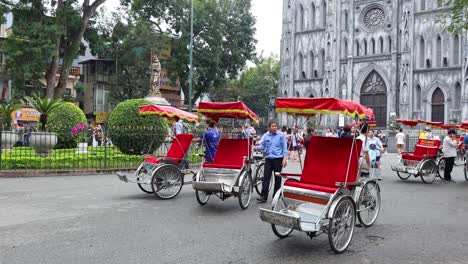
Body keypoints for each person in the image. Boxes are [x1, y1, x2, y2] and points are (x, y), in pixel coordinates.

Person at [255, 120, 288, 203]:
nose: (274, 128)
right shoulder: (266, 135)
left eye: (275, 126)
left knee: (278, 179)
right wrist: (256, 147)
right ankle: (263, 196)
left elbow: (284, 148)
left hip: (278, 159)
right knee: (266, 178)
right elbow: (263, 146)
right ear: (269, 127)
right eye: (272, 126)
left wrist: (284, 159)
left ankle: (275, 196)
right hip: (268, 159)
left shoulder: (281, 135)